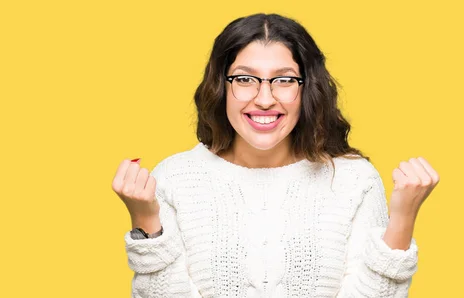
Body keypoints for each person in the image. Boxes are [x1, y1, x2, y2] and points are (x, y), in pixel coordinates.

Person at [111, 13, 439, 297]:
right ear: (221, 86)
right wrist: (146, 222)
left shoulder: (354, 179)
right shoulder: (175, 177)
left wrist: (403, 219)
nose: (264, 99)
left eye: (283, 80)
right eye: (244, 79)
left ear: (306, 87)